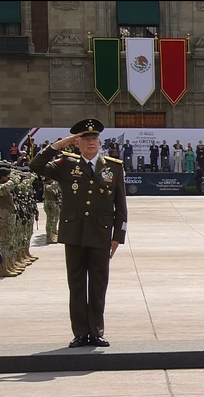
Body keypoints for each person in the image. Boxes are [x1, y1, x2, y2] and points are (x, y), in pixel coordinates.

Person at [29, 118, 128, 348]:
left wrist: (118, 236)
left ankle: (96, 332)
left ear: (100, 143)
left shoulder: (113, 167)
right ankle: (80, 333)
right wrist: (58, 146)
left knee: (98, 285)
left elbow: (121, 205)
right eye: (85, 139)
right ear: (77, 143)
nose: (91, 142)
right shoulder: (66, 165)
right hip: (74, 234)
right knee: (76, 285)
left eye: (94, 139)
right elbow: (36, 165)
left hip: (101, 234)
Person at [43, 176, 61, 244]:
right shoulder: (46, 186)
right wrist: (57, 181)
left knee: (55, 219)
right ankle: (49, 237)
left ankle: (54, 233)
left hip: (55, 204)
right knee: (50, 220)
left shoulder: (52, 185)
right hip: (49, 205)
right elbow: (51, 188)